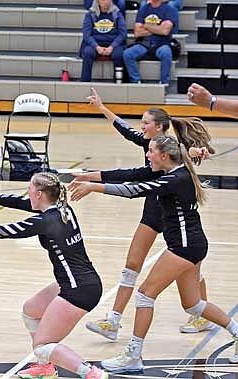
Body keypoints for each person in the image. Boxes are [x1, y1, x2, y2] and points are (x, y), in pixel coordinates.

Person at [68, 135, 238, 371]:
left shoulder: (176, 179)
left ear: (164, 155)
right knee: (193, 305)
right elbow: (128, 174)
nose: (147, 155)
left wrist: (93, 188)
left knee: (145, 294)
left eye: (150, 151)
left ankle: (133, 356)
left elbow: (134, 190)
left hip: (185, 247)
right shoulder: (166, 172)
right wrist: (88, 176)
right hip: (193, 244)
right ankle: (237, 332)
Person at [0, 172, 109, 379]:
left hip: (79, 289)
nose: (27, 193)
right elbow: (19, 202)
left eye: (30, 189)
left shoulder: (47, 221)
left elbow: (8, 230)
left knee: (42, 345)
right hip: (79, 281)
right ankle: (44, 368)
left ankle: (91, 373)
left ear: (40, 194)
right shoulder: (63, 208)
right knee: (31, 311)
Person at [81, 87, 215, 338]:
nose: (141, 127)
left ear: (160, 127)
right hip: (154, 209)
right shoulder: (149, 142)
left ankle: (200, 315)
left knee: (191, 265)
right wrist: (101, 107)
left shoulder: (174, 149)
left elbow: (190, 153)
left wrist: (199, 152)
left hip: (175, 212)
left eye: (145, 123)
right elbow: (124, 131)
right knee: (132, 264)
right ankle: (113, 321)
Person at [123, 0, 177, 85]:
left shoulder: (169, 9)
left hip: (162, 43)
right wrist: (158, 28)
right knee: (127, 54)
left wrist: (146, 25)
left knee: (166, 53)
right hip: (144, 43)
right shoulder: (143, 9)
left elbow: (165, 31)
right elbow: (137, 32)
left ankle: (164, 83)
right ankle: (136, 81)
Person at [79, 0, 127, 82]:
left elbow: (123, 34)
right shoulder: (90, 14)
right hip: (96, 44)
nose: (106, 2)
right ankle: (85, 81)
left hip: (113, 44)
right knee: (88, 52)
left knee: (118, 55)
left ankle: (119, 82)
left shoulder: (117, 14)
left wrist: (112, 46)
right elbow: (87, 35)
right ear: (98, 1)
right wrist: (97, 47)